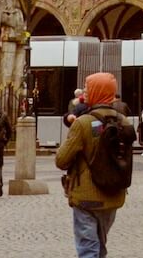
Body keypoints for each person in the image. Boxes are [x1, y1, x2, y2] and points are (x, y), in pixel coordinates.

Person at [55, 72, 132, 258]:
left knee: (88, 248)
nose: (85, 92)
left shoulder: (83, 123)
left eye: (89, 88)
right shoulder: (124, 122)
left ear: (98, 91)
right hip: (114, 194)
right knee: (100, 245)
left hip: (86, 197)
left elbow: (62, 160)